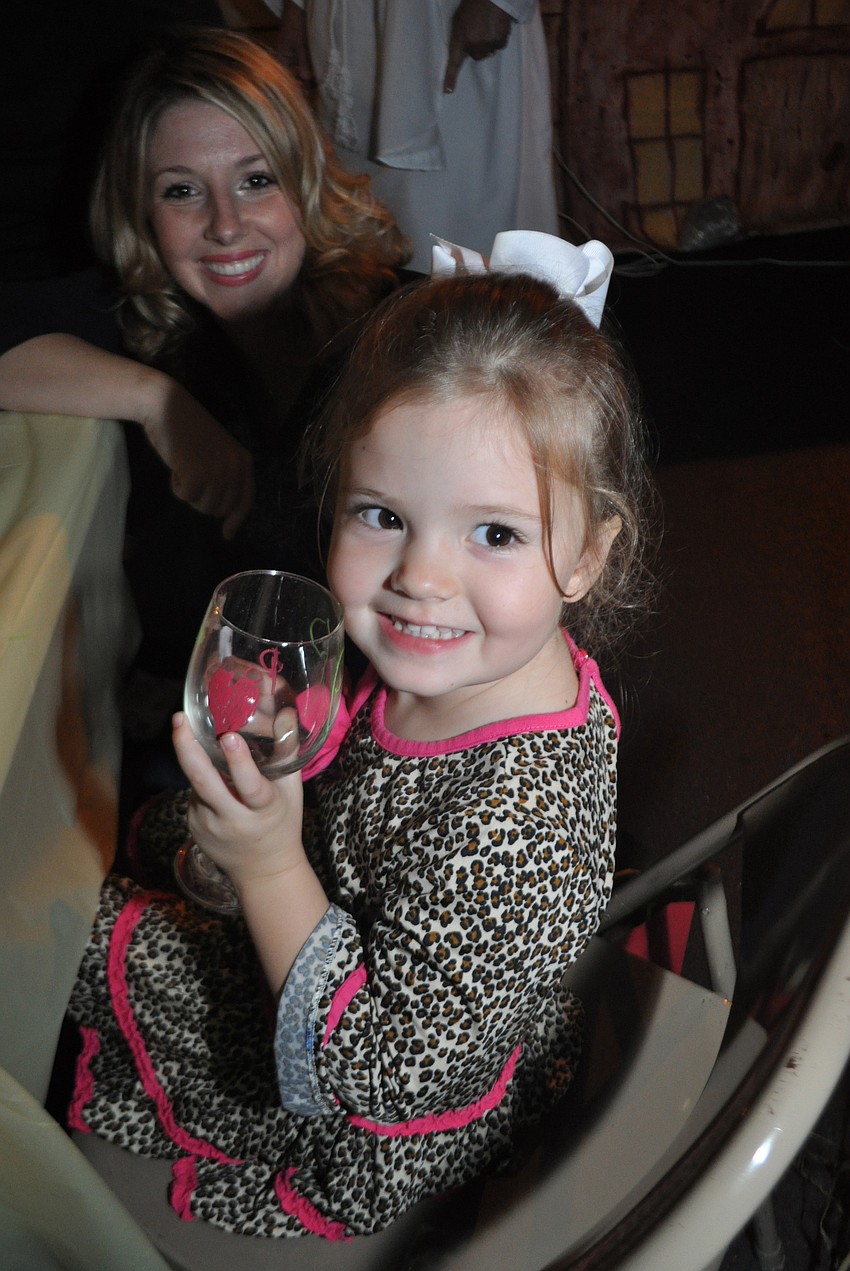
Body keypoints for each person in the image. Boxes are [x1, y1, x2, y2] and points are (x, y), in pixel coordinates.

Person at [66, 236, 655, 1240]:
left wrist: (260, 862)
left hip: (368, 1109)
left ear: (591, 555)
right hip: (351, 917)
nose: (419, 578)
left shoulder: (523, 824)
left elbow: (377, 1077)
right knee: (147, 833)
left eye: (495, 532)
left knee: (54, 927)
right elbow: (375, 793)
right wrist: (320, 734)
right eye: (381, 513)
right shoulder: (467, 657)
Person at [0, 28, 408, 677]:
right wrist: (158, 402)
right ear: (141, 211)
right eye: (181, 191)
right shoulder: (151, 329)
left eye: (256, 180)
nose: (223, 223)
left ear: (305, 183)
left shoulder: (404, 336)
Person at [275, 0, 560, 272]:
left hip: (444, 29)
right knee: (357, 232)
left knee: (460, 239)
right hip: (345, 30)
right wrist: (296, 7)